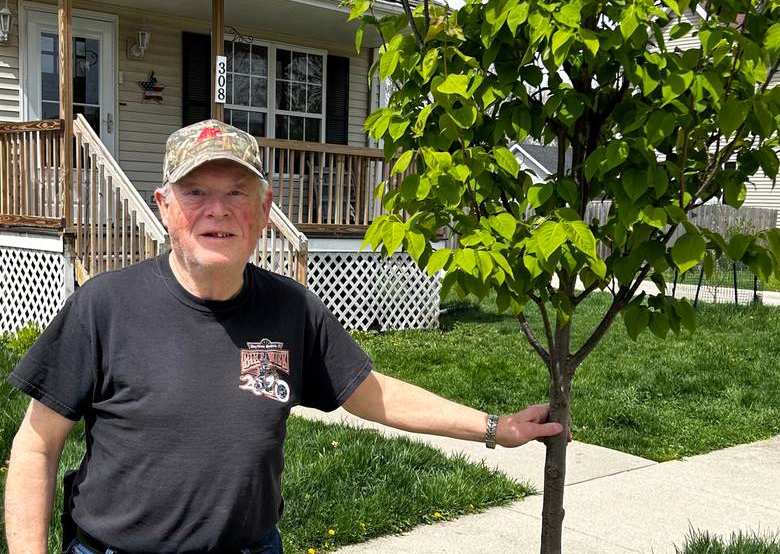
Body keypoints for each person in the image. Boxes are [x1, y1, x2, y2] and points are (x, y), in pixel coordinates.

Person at [5, 120, 564, 554]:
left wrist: (496, 428)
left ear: (265, 208)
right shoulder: (104, 306)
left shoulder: (290, 308)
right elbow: (36, 445)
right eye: (195, 192)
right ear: (165, 207)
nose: (217, 210)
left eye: (238, 192)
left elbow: (373, 394)